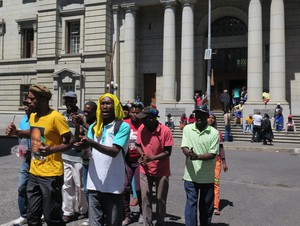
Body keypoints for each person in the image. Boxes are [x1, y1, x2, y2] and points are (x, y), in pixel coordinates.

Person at [6, 84, 74, 226]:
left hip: (52, 174)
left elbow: (70, 141)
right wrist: (17, 132)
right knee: (32, 217)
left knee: (51, 217)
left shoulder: (56, 117)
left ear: (43, 99)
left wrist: (52, 150)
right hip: (34, 172)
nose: (28, 101)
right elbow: (34, 132)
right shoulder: (34, 116)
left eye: (31, 98)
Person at [74, 93, 130, 226]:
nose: (104, 106)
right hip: (94, 184)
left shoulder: (122, 127)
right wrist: (81, 143)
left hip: (113, 186)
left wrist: (91, 143)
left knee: (113, 223)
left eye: (108, 103)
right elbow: (86, 145)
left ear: (115, 106)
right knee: (95, 223)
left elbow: (114, 152)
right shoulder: (93, 127)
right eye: (102, 104)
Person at [181, 104, 219, 226]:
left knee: (206, 207)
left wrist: (197, 156)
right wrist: (189, 153)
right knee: (191, 204)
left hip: (207, 177)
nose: (199, 117)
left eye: (202, 115)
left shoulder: (214, 133)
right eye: (197, 114)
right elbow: (184, 147)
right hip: (190, 176)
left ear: (208, 117)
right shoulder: (187, 129)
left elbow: (212, 154)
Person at [135, 105, 174, 226]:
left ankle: (160, 223)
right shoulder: (142, 128)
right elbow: (138, 145)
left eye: (144, 119)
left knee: (160, 199)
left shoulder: (165, 131)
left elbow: (168, 152)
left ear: (152, 118)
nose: (141, 121)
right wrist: (142, 155)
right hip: (145, 169)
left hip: (161, 170)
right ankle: (148, 223)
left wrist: (152, 158)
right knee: (145, 198)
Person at [61, 91, 88, 223]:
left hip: (78, 156)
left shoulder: (82, 115)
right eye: (66, 100)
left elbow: (83, 134)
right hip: (65, 154)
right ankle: (68, 211)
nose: (68, 103)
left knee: (80, 185)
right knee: (66, 185)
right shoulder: (62, 115)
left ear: (76, 101)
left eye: (71, 100)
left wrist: (78, 125)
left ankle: (83, 209)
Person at [122, 101, 144, 226]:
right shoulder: (125, 124)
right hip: (127, 161)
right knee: (125, 188)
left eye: (137, 112)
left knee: (139, 189)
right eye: (132, 112)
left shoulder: (143, 125)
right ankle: (127, 215)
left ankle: (142, 212)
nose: (135, 115)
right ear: (129, 113)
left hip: (140, 161)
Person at [12, 100, 32, 226]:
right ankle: (23, 215)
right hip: (26, 160)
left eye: (28, 104)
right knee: (21, 187)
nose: (26, 107)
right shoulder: (23, 120)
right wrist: (21, 150)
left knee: (39, 189)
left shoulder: (40, 119)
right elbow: (21, 138)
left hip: (40, 159)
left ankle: (39, 213)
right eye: (24, 104)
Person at [207, 113, 228, 216]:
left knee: (215, 183)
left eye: (212, 118)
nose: (210, 119)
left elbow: (221, 148)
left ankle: (216, 206)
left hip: (216, 161)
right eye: (209, 117)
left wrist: (224, 162)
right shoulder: (202, 132)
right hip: (205, 161)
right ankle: (206, 204)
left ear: (215, 120)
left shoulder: (218, 133)